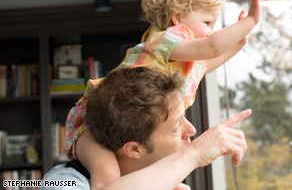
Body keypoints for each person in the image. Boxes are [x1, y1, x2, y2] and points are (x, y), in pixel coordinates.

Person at [64, 0, 263, 188]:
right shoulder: (165, 41)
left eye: (212, 26)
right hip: (90, 122)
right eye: (207, 22)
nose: (210, 31)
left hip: (125, 127)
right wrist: (250, 21)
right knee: (107, 171)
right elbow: (211, 47)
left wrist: (237, 45)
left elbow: (204, 65)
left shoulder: (182, 61)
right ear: (178, 19)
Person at [42, 67, 251, 190]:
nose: (192, 130)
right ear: (133, 149)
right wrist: (193, 155)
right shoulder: (62, 183)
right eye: (176, 125)